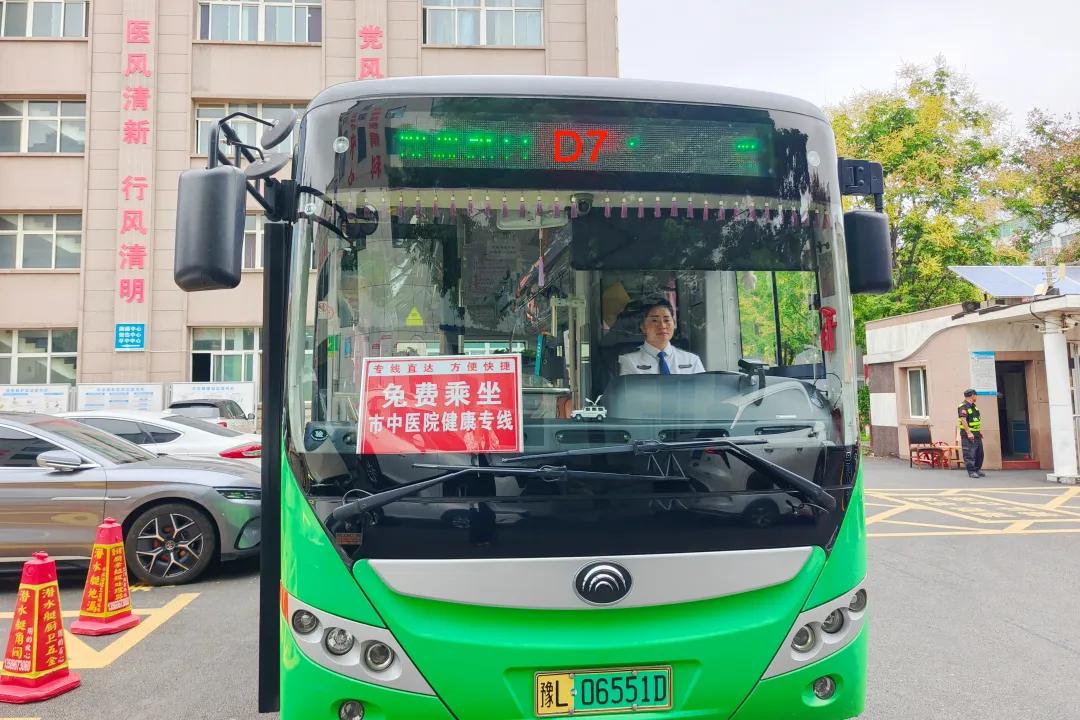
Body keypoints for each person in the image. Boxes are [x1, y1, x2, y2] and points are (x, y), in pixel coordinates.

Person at [618, 298, 705, 375]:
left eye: (667, 320)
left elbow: (703, 388)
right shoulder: (629, 361)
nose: (662, 326)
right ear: (643, 327)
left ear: (674, 324)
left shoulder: (692, 360)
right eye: (654, 320)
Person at [958, 388, 985, 478]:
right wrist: (969, 433)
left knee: (979, 453)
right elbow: (963, 420)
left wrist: (979, 431)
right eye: (976, 395)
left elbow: (975, 420)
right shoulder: (963, 406)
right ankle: (971, 471)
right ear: (972, 395)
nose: (976, 397)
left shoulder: (974, 407)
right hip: (968, 435)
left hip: (976, 434)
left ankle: (977, 469)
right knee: (969, 453)